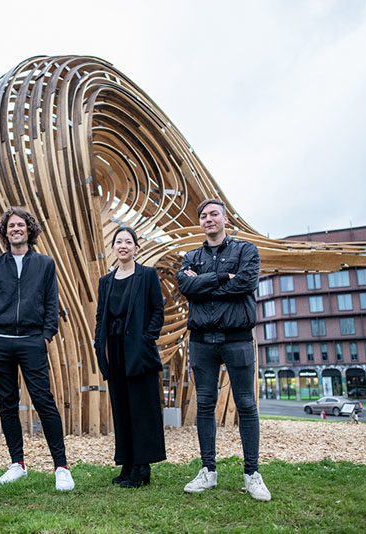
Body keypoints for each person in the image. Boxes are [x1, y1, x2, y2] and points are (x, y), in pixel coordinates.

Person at [176, 199, 271, 501]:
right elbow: (185, 287)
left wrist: (202, 285)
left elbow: (246, 283)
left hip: (237, 337)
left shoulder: (246, 251)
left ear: (224, 218)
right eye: (203, 216)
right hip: (202, 340)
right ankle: (208, 471)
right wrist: (220, 278)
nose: (208, 219)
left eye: (213, 214)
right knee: (204, 404)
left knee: (246, 404)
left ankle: (252, 473)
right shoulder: (191, 256)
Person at [0, 206, 75, 491]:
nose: (16, 229)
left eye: (20, 225)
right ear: (5, 232)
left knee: (44, 401)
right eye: (11, 226)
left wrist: (46, 335)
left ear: (29, 230)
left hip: (32, 340)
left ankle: (61, 467)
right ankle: (16, 464)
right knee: (7, 403)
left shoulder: (45, 263)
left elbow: (51, 303)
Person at [94, 226, 166, 488]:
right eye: (118, 241)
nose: (123, 245)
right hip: (113, 350)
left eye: (128, 241)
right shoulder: (106, 281)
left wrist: (148, 337)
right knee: (122, 408)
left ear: (136, 247)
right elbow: (101, 316)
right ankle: (126, 464)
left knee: (141, 409)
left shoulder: (147, 275)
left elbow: (158, 310)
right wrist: (97, 342)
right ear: (113, 248)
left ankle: (142, 467)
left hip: (139, 350)